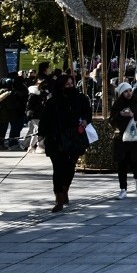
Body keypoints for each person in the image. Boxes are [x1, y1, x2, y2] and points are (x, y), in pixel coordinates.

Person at [41, 73, 92, 212]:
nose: (69, 87)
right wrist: (41, 136)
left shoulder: (81, 98)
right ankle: (58, 197)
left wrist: (85, 121)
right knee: (58, 168)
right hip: (56, 139)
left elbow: (88, 113)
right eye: (66, 84)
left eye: (71, 84)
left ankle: (64, 191)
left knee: (69, 167)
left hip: (74, 138)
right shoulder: (53, 101)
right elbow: (45, 119)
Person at [110, 81, 137, 199]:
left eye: (130, 90)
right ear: (121, 93)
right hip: (121, 137)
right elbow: (111, 121)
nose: (128, 93)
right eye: (125, 91)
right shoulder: (117, 104)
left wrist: (133, 115)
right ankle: (123, 189)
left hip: (136, 137)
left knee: (135, 161)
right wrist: (120, 114)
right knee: (121, 163)